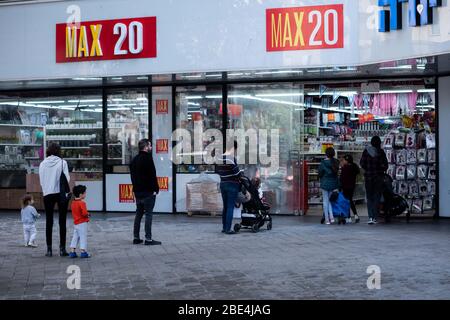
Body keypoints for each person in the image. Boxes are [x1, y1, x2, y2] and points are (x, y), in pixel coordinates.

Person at [39, 143, 70, 257]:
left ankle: (49, 250)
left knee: (49, 221)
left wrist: (46, 189)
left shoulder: (42, 164)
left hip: (48, 194)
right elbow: (67, 178)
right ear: (58, 151)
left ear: (48, 151)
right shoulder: (63, 162)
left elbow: (41, 180)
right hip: (60, 193)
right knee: (62, 221)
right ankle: (62, 249)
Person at [130, 139, 161, 245]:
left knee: (138, 214)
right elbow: (152, 175)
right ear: (146, 147)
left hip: (138, 192)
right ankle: (148, 239)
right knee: (148, 214)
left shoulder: (134, 159)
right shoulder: (148, 158)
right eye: (150, 146)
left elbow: (133, 177)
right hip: (148, 192)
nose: (151, 148)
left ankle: (136, 237)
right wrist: (156, 189)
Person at [360, 136, 388, 225]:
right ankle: (376, 217)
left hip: (368, 177)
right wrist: (381, 169)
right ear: (379, 143)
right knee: (377, 197)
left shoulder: (366, 151)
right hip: (378, 177)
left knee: (369, 197)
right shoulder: (381, 152)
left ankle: (370, 217)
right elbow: (386, 165)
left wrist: (368, 170)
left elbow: (362, 163)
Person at [215, 141, 242, 234]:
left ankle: (224, 228)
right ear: (232, 148)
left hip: (223, 184)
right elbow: (237, 174)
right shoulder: (231, 158)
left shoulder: (219, 158)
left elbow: (218, 171)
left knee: (225, 207)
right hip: (232, 185)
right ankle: (228, 229)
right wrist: (241, 173)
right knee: (230, 207)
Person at [319, 147, 340, 225]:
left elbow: (320, 173)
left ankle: (327, 219)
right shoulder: (336, 162)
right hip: (333, 184)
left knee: (325, 201)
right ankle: (331, 217)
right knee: (330, 201)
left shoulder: (323, 163)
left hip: (325, 183)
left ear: (326, 154)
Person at [69, 185, 90, 258]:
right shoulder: (82, 203)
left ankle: (72, 251)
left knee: (75, 236)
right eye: (85, 193)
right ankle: (83, 251)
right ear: (81, 194)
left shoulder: (73, 203)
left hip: (76, 223)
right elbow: (84, 213)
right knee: (83, 236)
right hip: (82, 223)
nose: (85, 194)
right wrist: (88, 214)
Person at [340, 154, 360, 223]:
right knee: (350, 200)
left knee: (346, 201)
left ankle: (348, 217)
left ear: (347, 161)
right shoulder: (354, 167)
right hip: (352, 186)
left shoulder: (344, 168)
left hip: (345, 186)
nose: (343, 161)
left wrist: (340, 186)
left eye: (344, 160)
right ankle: (356, 215)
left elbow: (342, 178)